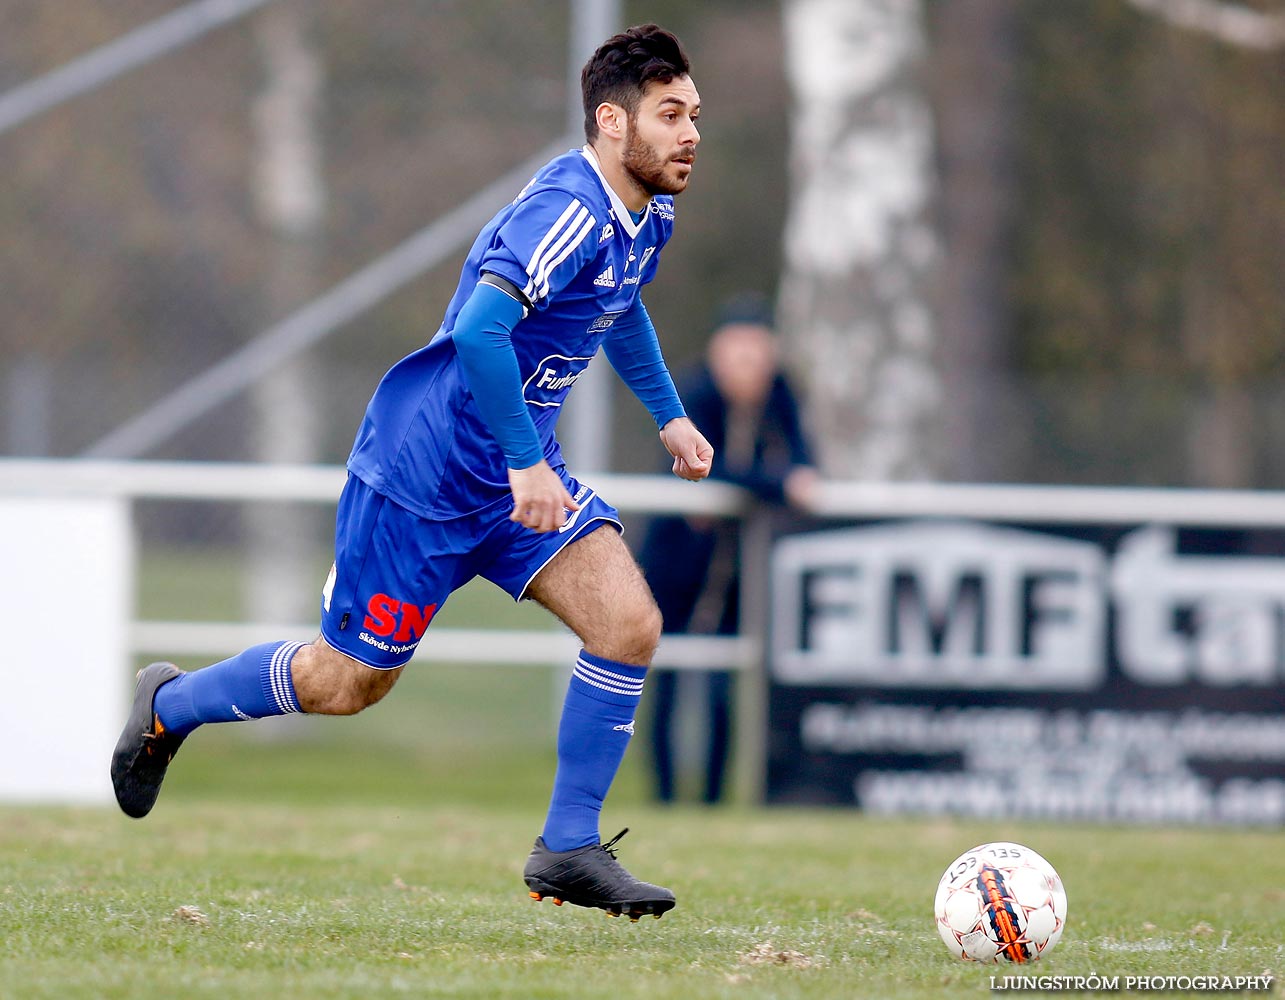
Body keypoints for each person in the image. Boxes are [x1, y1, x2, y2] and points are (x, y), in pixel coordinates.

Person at [111, 23, 712, 923]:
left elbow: (617, 307)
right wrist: (521, 462)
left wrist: (666, 414)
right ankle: (171, 706)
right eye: (670, 115)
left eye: (694, 113)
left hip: (514, 481)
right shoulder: (570, 210)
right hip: (421, 482)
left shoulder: (646, 213)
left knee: (628, 623)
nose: (691, 133)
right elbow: (478, 332)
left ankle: (568, 847)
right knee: (345, 684)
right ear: (611, 125)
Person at [638, 296, 817, 805]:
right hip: (677, 560)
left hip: (740, 565)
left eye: (756, 353)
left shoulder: (781, 397)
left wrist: (779, 480)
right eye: (736, 352)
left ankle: (714, 797)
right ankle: (666, 796)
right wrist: (778, 483)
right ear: (717, 353)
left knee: (722, 685)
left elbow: (806, 460)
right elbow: (702, 466)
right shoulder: (692, 396)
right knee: (666, 678)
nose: (747, 364)